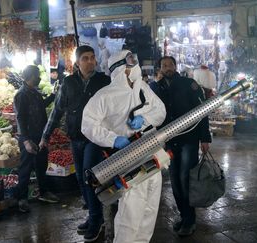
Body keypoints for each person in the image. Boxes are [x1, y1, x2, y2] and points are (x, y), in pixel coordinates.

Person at [81, 50, 166, 243]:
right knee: (131, 211)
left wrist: (146, 117)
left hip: (151, 150)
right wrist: (113, 139)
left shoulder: (143, 88)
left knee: (150, 209)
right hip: (128, 157)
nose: (134, 66)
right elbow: (88, 124)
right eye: (130, 62)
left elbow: (161, 111)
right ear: (120, 68)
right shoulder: (104, 95)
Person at [39, 45, 111, 242]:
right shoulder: (68, 83)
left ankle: (97, 220)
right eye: (85, 58)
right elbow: (57, 110)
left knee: (90, 177)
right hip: (75, 137)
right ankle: (93, 216)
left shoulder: (104, 82)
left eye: (92, 58)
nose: (90, 61)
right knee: (80, 179)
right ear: (77, 63)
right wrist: (46, 135)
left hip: (95, 139)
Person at [152, 56, 212, 236]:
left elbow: (202, 111)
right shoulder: (157, 87)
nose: (167, 68)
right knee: (175, 181)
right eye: (164, 66)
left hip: (188, 139)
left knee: (185, 179)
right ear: (160, 69)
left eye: (170, 65)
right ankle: (184, 215)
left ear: (175, 66)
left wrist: (205, 138)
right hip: (169, 141)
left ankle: (190, 220)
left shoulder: (189, 84)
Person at [13, 65, 59, 213]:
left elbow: (41, 105)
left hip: (40, 135)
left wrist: (53, 96)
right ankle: (22, 199)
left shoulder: (34, 92)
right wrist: (25, 140)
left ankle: (43, 192)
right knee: (25, 167)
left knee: (41, 165)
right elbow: (20, 118)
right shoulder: (21, 95)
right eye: (36, 76)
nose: (39, 78)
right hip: (28, 136)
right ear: (30, 77)